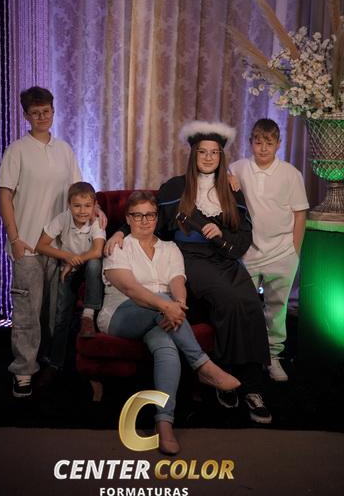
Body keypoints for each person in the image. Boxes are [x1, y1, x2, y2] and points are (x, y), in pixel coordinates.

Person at [105, 121, 272, 424]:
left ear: (221, 156)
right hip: (190, 258)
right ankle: (224, 376)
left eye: (214, 153)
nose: (208, 157)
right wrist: (118, 231)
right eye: (202, 152)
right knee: (229, 299)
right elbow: (146, 216)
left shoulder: (232, 189)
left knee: (250, 301)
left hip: (224, 258)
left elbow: (243, 236)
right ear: (193, 154)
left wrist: (221, 235)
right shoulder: (174, 187)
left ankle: (252, 385)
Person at [97, 190, 241, 455]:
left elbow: (177, 282)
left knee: (166, 347)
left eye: (150, 215)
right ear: (128, 218)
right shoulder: (118, 246)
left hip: (162, 316)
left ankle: (164, 423)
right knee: (162, 299)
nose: (144, 220)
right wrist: (168, 306)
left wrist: (179, 305)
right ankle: (203, 364)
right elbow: (130, 289)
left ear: (157, 217)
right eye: (137, 215)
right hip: (121, 315)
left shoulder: (170, 248)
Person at [0, 86, 82, 398]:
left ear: (53, 112)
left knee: (54, 314)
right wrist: (15, 239)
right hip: (29, 245)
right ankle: (23, 371)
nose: (42, 117)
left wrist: (97, 210)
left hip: (59, 247)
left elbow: (78, 191)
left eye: (46, 111)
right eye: (35, 113)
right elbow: (4, 196)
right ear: (26, 116)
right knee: (27, 313)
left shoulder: (65, 151)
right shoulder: (17, 151)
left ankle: (50, 364)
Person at [230, 118, 309, 382]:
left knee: (277, 308)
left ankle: (273, 356)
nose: (263, 148)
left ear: (278, 144)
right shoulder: (238, 168)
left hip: (282, 252)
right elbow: (219, 177)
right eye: (258, 142)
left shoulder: (290, 174)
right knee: (244, 306)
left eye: (269, 143)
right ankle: (248, 356)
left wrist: (294, 251)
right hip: (249, 253)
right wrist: (227, 177)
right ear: (250, 142)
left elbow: (300, 214)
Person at [35, 182, 106, 383]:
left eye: (87, 206)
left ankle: (88, 315)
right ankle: (55, 363)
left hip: (91, 269)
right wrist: (67, 257)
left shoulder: (96, 221)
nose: (82, 211)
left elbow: (97, 251)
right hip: (70, 266)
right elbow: (41, 245)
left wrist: (75, 261)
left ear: (94, 206)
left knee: (94, 263)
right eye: (77, 206)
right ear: (69, 205)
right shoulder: (63, 219)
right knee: (61, 315)